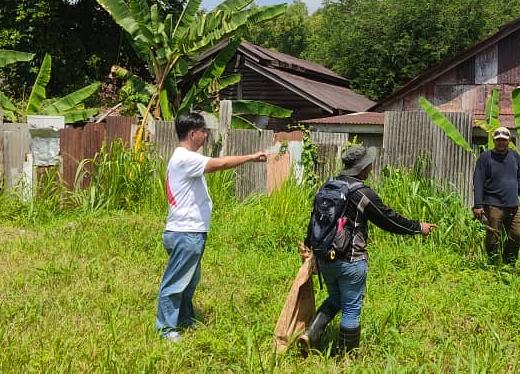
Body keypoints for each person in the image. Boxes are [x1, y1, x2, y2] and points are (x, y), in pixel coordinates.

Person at [298, 144, 437, 355]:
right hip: (351, 260)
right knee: (352, 307)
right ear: (363, 168)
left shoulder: (328, 185)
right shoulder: (360, 193)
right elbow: (389, 219)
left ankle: (310, 333)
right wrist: (418, 228)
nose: (371, 167)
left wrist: (310, 248)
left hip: (325, 257)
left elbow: (314, 219)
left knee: (336, 298)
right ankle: (346, 357)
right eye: (369, 165)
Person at [156, 112, 267, 342]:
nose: (206, 135)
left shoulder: (184, 158)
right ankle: (166, 329)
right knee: (175, 283)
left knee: (189, 281)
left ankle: (185, 320)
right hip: (186, 233)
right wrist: (251, 157)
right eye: (203, 131)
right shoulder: (185, 158)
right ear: (192, 133)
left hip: (190, 232)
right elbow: (221, 163)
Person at [472, 126, 520, 265]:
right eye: (498, 140)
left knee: (517, 236)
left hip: (513, 205)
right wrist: (478, 205)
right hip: (493, 205)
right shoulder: (485, 157)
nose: (501, 143)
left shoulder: (514, 156)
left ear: (509, 140)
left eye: (504, 140)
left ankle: (508, 264)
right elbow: (478, 181)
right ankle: (493, 263)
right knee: (492, 237)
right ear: (494, 141)